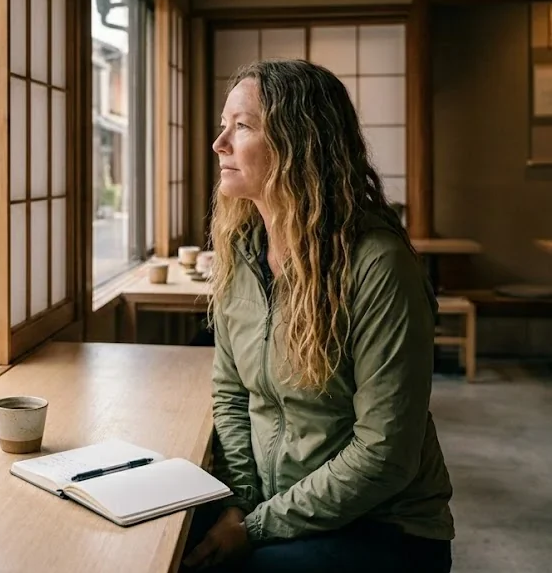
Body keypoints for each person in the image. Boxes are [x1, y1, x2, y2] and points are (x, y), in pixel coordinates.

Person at [184, 60, 454, 573]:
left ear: (299, 143)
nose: (219, 143)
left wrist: (254, 527)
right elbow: (232, 393)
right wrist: (239, 503)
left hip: (382, 526)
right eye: (224, 125)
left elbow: (385, 452)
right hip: (275, 506)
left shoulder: (377, 264)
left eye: (241, 127)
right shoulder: (242, 251)